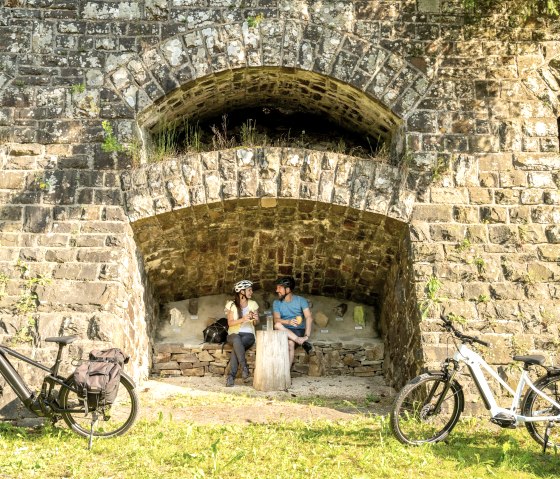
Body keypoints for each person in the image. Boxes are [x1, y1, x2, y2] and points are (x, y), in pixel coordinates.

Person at [224, 279, 259, 387]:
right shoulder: (231, 304)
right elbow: (230, 323)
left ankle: (231, 377)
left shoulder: (253, 304)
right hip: (233, 335)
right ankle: (244, 368)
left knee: (236, 346)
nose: (251, 292)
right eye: (249, 290)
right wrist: (243, 319)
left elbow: (256, 323)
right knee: (236, 339)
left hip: (248, 335)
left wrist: (256, 319)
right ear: (241, 292)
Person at [273, 276, 313, 368]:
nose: (277, 290)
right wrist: (288, 322)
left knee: (290, 343)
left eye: (279, 288)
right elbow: (276, 320)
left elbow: (309, 317)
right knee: (278, 325)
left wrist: (306, 336)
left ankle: (286, 372)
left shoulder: (301, 300)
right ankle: (301, 342)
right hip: (283, 330)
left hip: (298, 330)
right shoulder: (276, 303)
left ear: (288, 289)